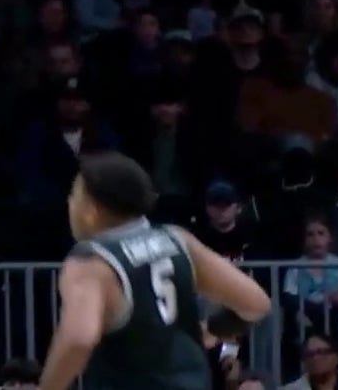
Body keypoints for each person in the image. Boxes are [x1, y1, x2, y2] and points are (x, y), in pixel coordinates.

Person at [39, 153, 272, 390]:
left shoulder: (92, 262)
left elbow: (79, 339)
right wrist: (211, 330)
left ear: (92, 208)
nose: (70, 202)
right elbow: (256, 304)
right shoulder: (177, 240)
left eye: (75, 195)